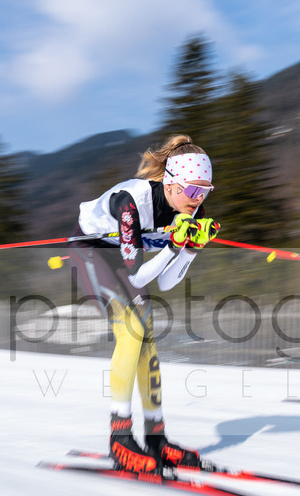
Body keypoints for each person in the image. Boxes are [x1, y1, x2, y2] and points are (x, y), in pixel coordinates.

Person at [68, 134, 221, 474]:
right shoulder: (131, 203)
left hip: (125, 261)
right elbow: (137, 276)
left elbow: (166, 280)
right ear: (170, 183)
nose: (197, 199)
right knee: (131, 331)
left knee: (147, 339)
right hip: (89, 251)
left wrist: (191, 250)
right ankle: (120, 439)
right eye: (192, 190)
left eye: (205, 191)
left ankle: (156, 438)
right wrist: (173, 245)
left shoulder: (191, 207)